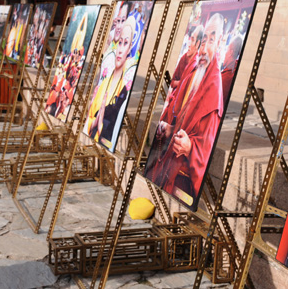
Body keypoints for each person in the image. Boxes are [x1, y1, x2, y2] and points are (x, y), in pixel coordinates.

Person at [144, 13, 224, 201]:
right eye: (203, 41)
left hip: (181, 178)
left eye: (211, 40)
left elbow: (205, 148)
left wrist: (189, 147)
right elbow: (181, 117)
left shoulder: (214, 87)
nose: (203, 49)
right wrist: (170, 129)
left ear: (219, 42)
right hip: (166, 162)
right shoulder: (195, 71)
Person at [84, 16, 136, 149]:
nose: (120, 49)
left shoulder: (124, 91)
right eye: (120, 43)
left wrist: (100, 122)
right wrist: (96, 121)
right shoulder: (104, 83)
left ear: (130, 48)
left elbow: (109, 139)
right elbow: (89, 120)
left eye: (125, 43)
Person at [221, 35, 243, 105]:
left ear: (230, 52)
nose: (225, 53)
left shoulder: (226, 77)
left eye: (226, 50)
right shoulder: (236, 71)